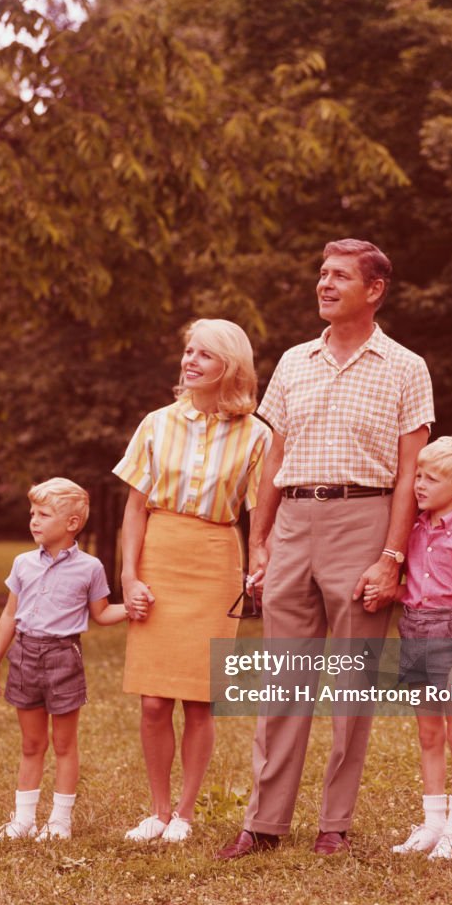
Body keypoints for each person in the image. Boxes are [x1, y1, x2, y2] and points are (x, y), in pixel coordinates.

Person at [218, 238, 435, 860]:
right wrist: (258, 542)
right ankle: (262, 824)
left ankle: (334, 824)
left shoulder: (405, 366)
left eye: (340, 276)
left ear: (375, 290)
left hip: (364, 522)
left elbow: (408, 475)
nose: (325, 284)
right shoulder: (294, 362)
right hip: (291, 525)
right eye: (321, 274)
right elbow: (273, 459)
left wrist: (391, 558)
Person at [114, 319, 271, 844]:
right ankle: (157, 810)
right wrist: (129, 575)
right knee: (154, 699)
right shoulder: (156, 424)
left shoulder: (257, 434)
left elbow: (260, 515)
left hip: (214, 560)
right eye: (188, 351)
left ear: (230, 365)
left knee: (200, 698)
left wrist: (260, 563)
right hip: (160, 555)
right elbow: (134, 509)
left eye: (204, 354)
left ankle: (184, 814)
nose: (190, 361)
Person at [0, 477, 141, 842]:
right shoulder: (23, 563)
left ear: (72, 523)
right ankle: (23, 821)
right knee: (31, 744)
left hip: (63, 658)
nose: (34, 521)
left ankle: (59, 823)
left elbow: (100, 614)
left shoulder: (90, 568)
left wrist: (131, 608)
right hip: (24, 656)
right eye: (32, 514)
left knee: (65, 744)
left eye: (43, 514)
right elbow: (10, 615)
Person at [386, 436, 452, 860]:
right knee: (428, 735)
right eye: (418, 475)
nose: (419, 485)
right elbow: (414, 589)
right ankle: (431, 825)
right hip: (414, 634)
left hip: (451, 638)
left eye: (431, 478)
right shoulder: (412, 533)